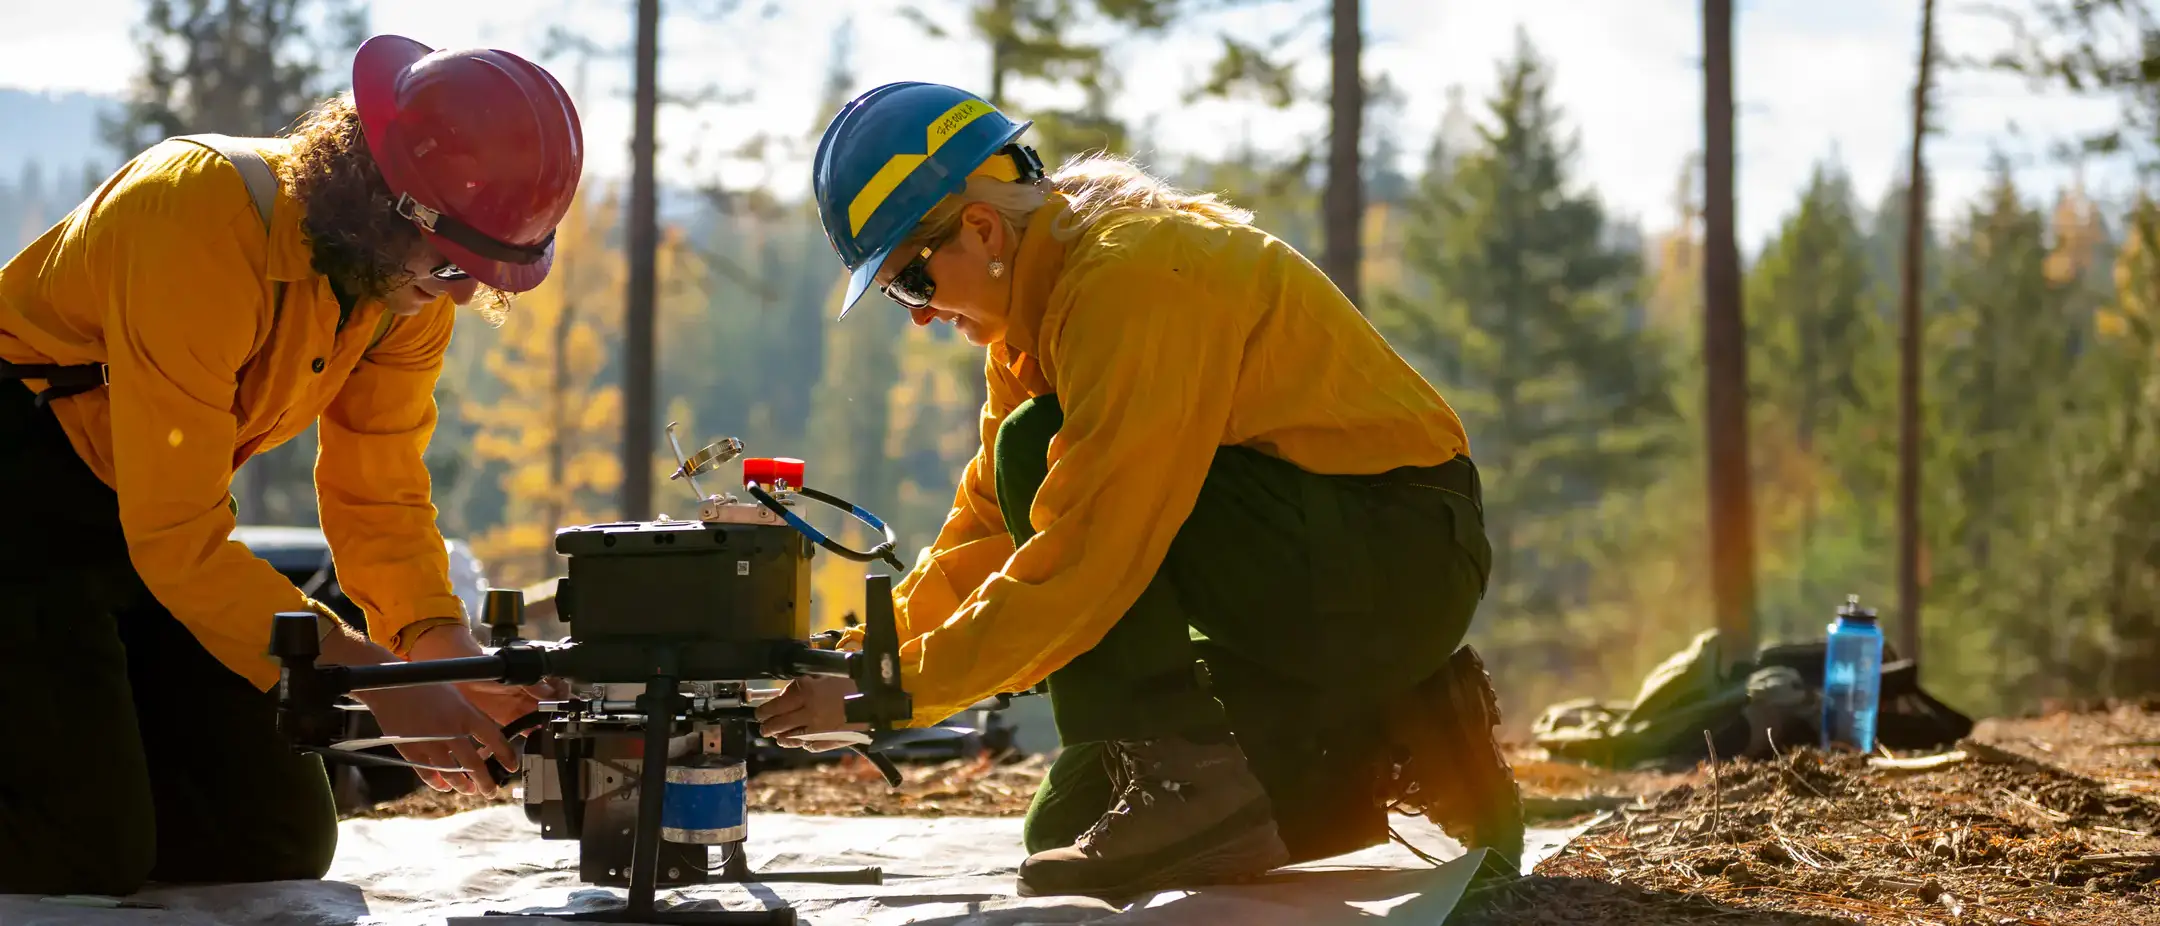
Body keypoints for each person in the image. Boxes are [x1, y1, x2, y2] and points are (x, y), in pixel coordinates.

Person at [757, 81, 1525, 898]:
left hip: (1395, 558)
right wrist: (867, 654)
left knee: (1035, 448)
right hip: (1309, 570)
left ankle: (1195, 780)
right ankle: (1407, 722)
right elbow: (985, 537)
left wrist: (889, 693)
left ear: (979, 228)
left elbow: (1086, 553)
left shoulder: (1131, 281)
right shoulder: (1034, 315)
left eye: (910, 283)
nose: (917, 315)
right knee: (1064, 832)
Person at [0, 35, 581, 895]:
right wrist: (369, 674)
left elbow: (379, 491)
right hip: (21, 491)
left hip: (146, 508)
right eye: (456, 262)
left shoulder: (404, 287)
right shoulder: (194, 219)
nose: (462, 293)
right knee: (82, 853)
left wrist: (440, 655)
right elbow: (178, 541)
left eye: (484, 271)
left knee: (275, 846)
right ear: (386, 202)